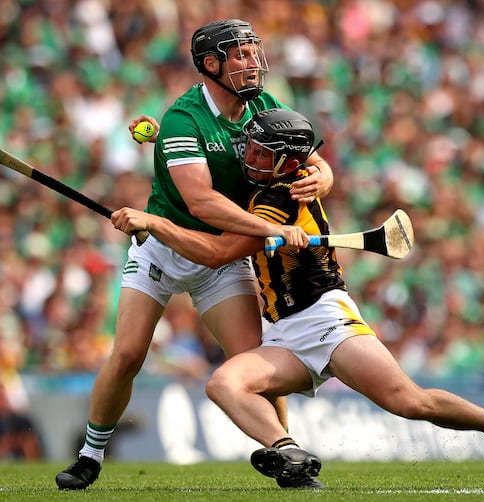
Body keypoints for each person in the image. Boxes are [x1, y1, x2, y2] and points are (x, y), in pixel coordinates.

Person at [111, 108, 484, 489]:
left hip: (326, 320)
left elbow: (217, 253)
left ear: (288, 163)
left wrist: (157, 224)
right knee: (224, 384)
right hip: (283, 333)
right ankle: (289, 453)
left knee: (410, 402)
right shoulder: (272, 178)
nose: (249, 156)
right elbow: (216, 166)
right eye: (249, 147)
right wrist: (168, 137)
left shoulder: (282, 197)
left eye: (262, 153)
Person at [55, 19, 334, 490]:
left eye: (252, 52)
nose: (252, 63)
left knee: (255, 363)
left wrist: (323, 175)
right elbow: (202, 202)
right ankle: (90, 455)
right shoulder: (183, 119)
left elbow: (306, 150)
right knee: (126, 355)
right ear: (210, 64)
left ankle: (286, 454)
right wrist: (271, 226)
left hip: (220, 262)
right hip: (161, 250)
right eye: (240, 55)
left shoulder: (263, 106)